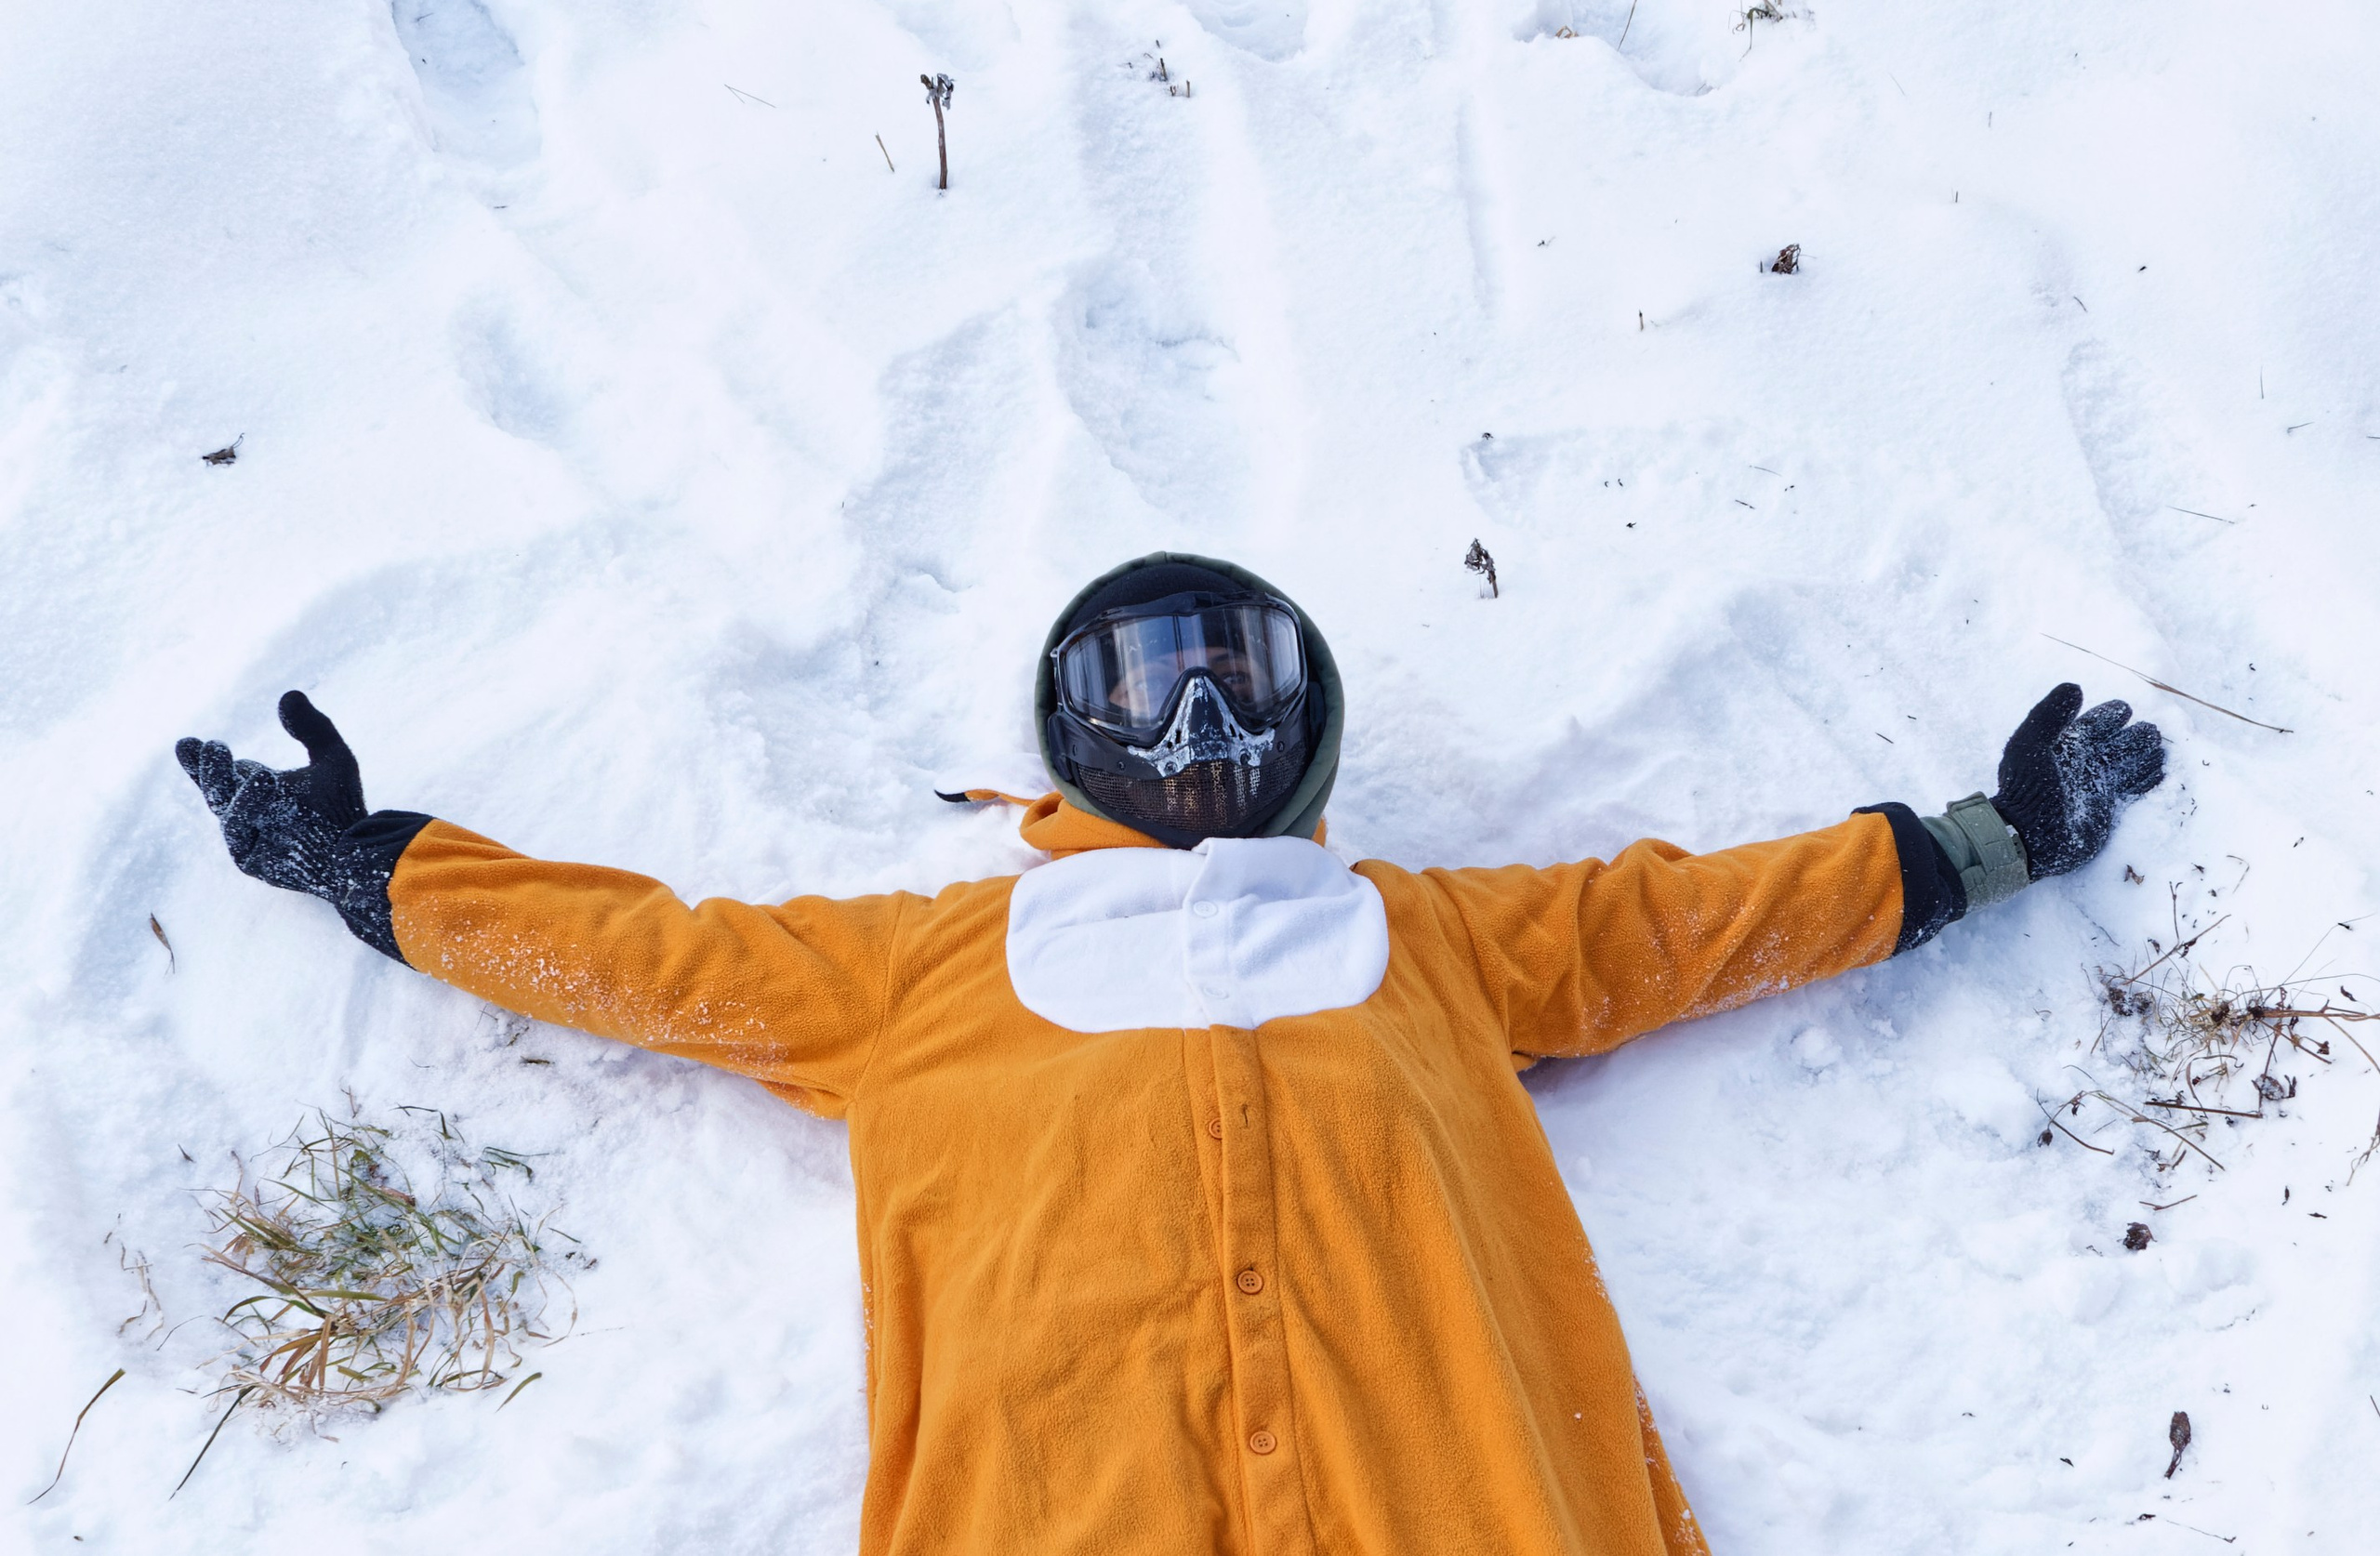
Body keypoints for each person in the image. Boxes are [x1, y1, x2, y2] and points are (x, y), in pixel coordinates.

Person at [177, 551, 2164, 1555]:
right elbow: (644, 955)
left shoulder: (1428, 939)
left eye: (1238, 678)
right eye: (1149, 686)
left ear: (1303, 718)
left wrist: (1977, 843)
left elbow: (1688, 919)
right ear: (1071, 732)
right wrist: (373, 866)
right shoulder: (929, 965)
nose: (1197, 723)